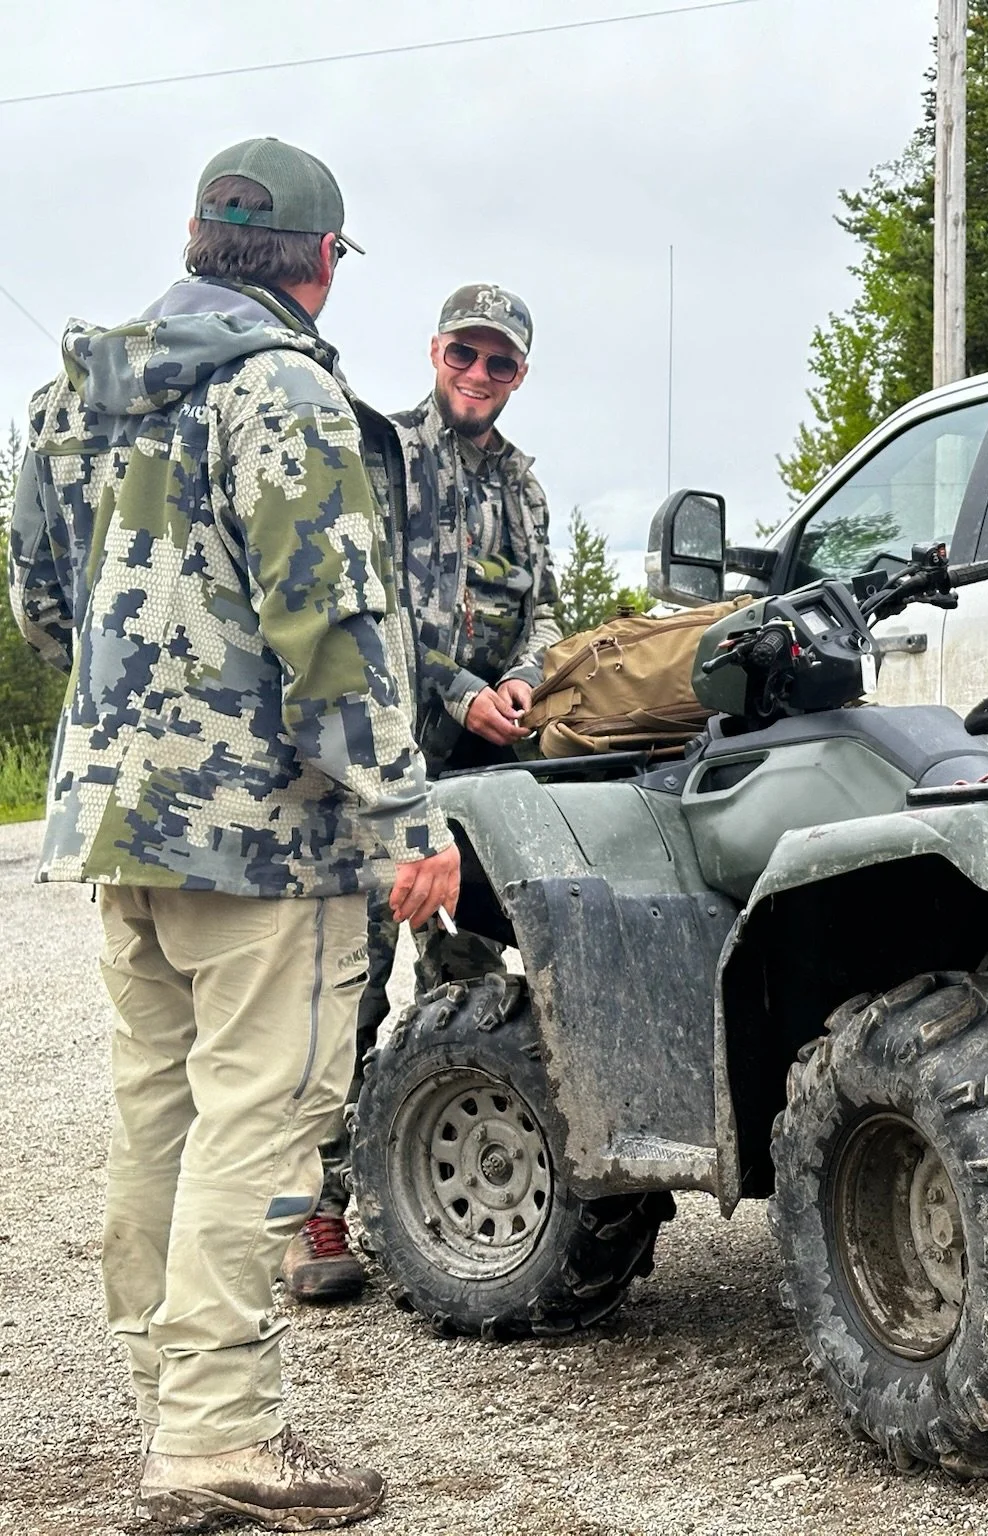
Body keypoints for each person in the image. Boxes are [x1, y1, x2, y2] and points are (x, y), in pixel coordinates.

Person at [8, 137, 461, 1530]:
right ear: (321, 264)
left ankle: (168, 1407)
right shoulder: (285, 394)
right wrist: (405, 815)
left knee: (162, 1111)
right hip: (267, 841)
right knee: (261, 1124)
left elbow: (38, 606)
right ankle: (216, 1436)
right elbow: (333, 627)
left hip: (121, 822)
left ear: (201, 240)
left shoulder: (71, 394)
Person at [284, 283, 560, 1302]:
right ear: (435, 352)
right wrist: (457, 686)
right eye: (465, 354)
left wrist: (526, 678)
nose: (479, 376)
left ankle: (434, 1200)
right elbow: (366, 611)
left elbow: (543, 608)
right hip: (373, 765)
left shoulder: (523, 489)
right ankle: (313, 1209)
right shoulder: (382, 455)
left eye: (500, 363)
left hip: (477, 778)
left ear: (519, 374)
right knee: (344, 989)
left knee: (469, 981)